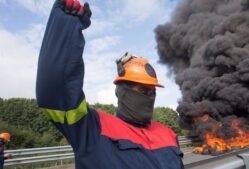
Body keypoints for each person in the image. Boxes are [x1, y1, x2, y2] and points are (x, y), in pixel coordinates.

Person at [36, 0, 184, 168]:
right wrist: (65, 26)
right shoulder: (91, 129)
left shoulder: (169, 134)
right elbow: (56, 91)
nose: (149, 96)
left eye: (152, 91)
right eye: (143, 90)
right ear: (121, 90)